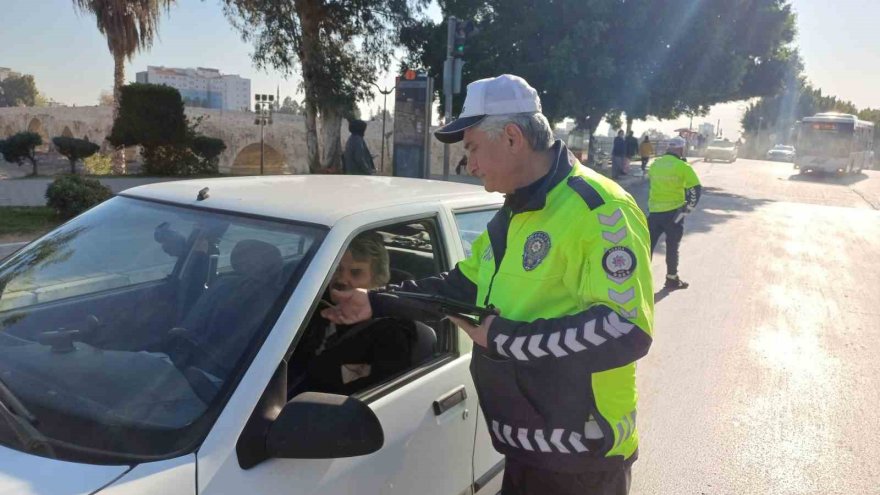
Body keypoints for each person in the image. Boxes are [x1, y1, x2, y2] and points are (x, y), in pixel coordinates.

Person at [323, 74, 654, 495]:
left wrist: (504, 339)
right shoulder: (513, 214)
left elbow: (627, 330)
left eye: (473, 148)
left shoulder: (602, 211)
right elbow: (458, 287)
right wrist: (378, 302)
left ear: (512, 138)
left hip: (582, 459)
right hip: (526, 447)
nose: (470, 165)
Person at [290, 231, 412, 395]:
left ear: (377, 279)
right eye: (337, 269)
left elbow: (381, 395)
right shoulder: (308, 305)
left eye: (355, 272)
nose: (341, 279)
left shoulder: (391, 331)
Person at [646, 136, 701, 290]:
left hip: (654, 213)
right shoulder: (683, 167)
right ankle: (671, 279)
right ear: (680, 149)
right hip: (673, 214)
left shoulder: (655, 164)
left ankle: (640, 279)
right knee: (672, 247)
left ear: (668, 148)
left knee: (647, 246)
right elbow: (695, 188)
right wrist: (689, 208)